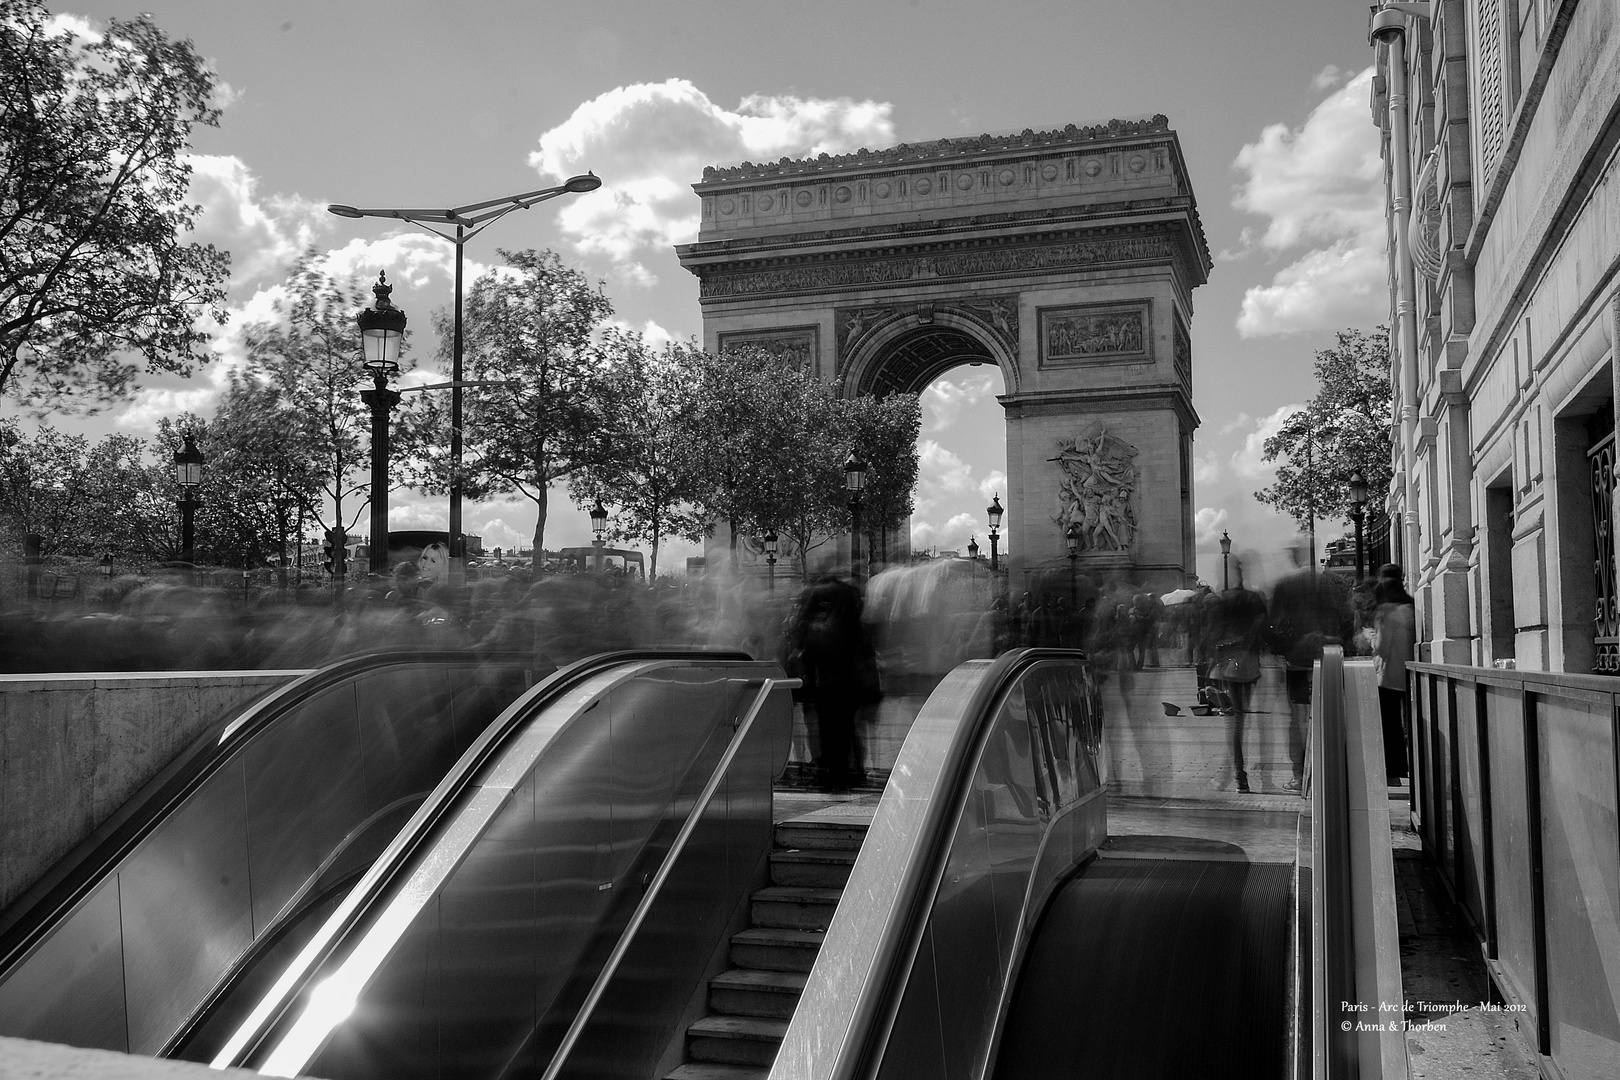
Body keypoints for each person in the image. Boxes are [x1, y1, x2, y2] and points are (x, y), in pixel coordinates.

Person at [1269, 555, 1351, 793]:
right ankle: (1330, 770)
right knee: (1329, 713)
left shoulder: (1286, 584)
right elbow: (1346, 617)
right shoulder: (1332, 583)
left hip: (1297, 659)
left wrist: (1281, 650)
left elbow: (1276, 623)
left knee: (1297, 718)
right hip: (1329, 655)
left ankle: (1300, 774)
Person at [789, 578, 881, 791]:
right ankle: (851, 771)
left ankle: (832, 773)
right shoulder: (849, 612)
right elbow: (864, 646)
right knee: (847, 727)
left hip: (823, 679)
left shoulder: (816, 605)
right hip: (847, 679)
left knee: (827, 728)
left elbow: (801, 639)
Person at [1208, 586, 1267, 792]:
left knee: (1235, 724)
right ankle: (1235, 775)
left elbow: (1214, 634)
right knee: (1241, 723)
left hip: (1231, 665)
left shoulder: (1226, 602)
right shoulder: (1253, 599)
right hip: (1249, 663)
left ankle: (1239, 777)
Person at [1373, 566, 1417, 784]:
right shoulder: (1411, 606)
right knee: (1409, 723)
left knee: (1390, 725)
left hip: (1388, 675)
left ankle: (1395, 768)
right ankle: (1410, 765)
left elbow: (1381, 647)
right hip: (1409, 673)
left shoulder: (1385, 612)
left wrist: (1370, 637)